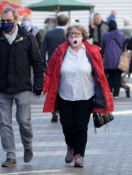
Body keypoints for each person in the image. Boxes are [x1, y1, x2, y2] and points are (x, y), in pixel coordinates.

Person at [42, 24, 114, 168]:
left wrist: (105, 97)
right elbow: (50, 72)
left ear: (83, 35)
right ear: (67, 36)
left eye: (77, 33)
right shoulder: (60, 52)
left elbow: (100, 75)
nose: (74, 36)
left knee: (81, 127)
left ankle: (79, 155)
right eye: (72, 33)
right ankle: (71, 146)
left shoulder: (92, 51)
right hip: (65, 95)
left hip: (85, 94)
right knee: (67, 125)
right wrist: (42, 88)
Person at [0, 7, 44, 167]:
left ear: (15, 20)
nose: (5, 24)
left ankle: (28, 145)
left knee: (23, 121)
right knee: (4, 123)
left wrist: (38, 84)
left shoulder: (28, 37)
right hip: (1, 89)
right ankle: (10, 155)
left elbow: (37, 62)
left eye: (8, 21)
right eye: (2, 21)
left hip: (22, 87)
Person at [41, 14, 69, 122]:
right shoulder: (69, 34)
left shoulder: (49, 33)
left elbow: (43, 50)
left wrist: (44, 65)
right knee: (65, 87)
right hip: (67, 64)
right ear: (66, 23)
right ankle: (63, 110)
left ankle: (54, 110)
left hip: (53, 65)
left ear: (56, 22)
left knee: (53, 88)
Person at [100, 20, 126, 99]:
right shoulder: (121, 35)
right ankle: (116, 94)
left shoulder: (105, 35)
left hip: (108, 59)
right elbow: (124, 45)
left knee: (109, 76)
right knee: (117, 77)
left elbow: (102, 47)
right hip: (119, 59)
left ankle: (109, 91)